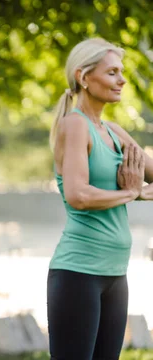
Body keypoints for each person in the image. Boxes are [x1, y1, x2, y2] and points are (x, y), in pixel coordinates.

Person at [47, 37, 153, 358]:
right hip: (79, 273)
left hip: (115, 274)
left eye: (121, 72)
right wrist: (130, 193)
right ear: (83, 77)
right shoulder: (75, 126)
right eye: (112, 73)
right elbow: (78, 195)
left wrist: (135, 191)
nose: (122, 80)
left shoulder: (114, 131)